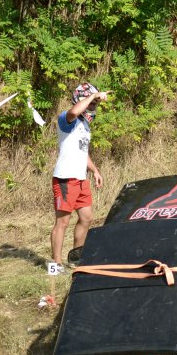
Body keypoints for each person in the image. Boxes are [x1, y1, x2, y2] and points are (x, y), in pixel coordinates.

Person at [50, 82, 108, 273]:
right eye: (91, 102)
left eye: (95, 103)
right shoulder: (67, 119)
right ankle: (56, 264)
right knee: (62, 223)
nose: (93, 106)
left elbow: (83, 153)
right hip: (65, 178)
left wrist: (95, 171)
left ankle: (77, 258)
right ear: (81, 99)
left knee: (87, 218)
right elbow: (74, 112)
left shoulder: (85, 125)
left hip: (81, 179)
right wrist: (92, 96)